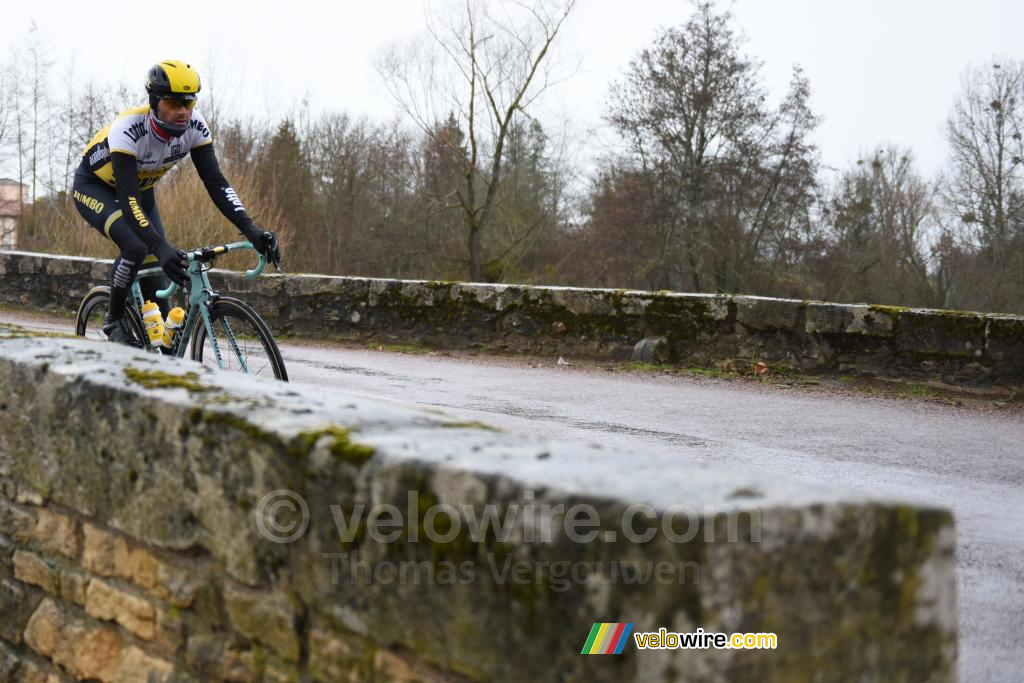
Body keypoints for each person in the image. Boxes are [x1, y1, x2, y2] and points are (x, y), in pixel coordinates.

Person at [72, 59, 280, 345]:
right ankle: (114, 318)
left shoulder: (195, 127)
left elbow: (216, 183)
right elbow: (128, 198)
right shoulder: (129, 129)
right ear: (155, 102)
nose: (183, 112)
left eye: (189, 103)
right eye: (174, 103)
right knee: (137, 246)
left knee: (159, 281)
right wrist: (158, 245)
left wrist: (250, 228)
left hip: (141, 190)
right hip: (96, 187)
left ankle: (160, 347)